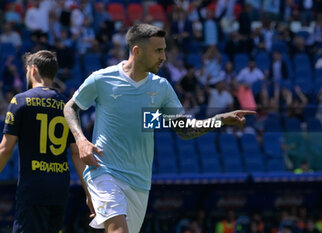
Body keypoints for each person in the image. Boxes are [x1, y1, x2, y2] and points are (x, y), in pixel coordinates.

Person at [63, 23, 255, 233]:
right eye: (158, 51)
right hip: (104, 170)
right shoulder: (102, 79)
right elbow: (71, 107)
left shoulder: (161, 87)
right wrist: (80, 139)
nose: (163, 57)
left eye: (164, 50)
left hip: (139, 181)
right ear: (137, 51)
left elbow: (185, 130)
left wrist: (219, 120)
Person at [0, 50, 92, 233]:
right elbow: (76, 153)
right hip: (59, 189)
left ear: (33, 70)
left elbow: (5, 148)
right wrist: (89, 193)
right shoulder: (68, 105)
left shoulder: (20, 101)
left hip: (32, 188)